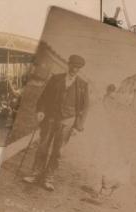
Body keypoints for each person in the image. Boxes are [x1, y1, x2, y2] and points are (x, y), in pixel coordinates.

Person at [23, 54, 89, 191]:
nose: (75, 69)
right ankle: (35, 174)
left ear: (80, 69)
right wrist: (41, 110)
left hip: (67, 121)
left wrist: (78, 126)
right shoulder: (56, 79)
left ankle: (48, 179)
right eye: (73, 66)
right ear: (68, 64)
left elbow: (84, 108)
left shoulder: (82, 85)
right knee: (43, 147)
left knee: (57, 151)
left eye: (78, 67)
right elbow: (44, 97)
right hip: (51, 118)